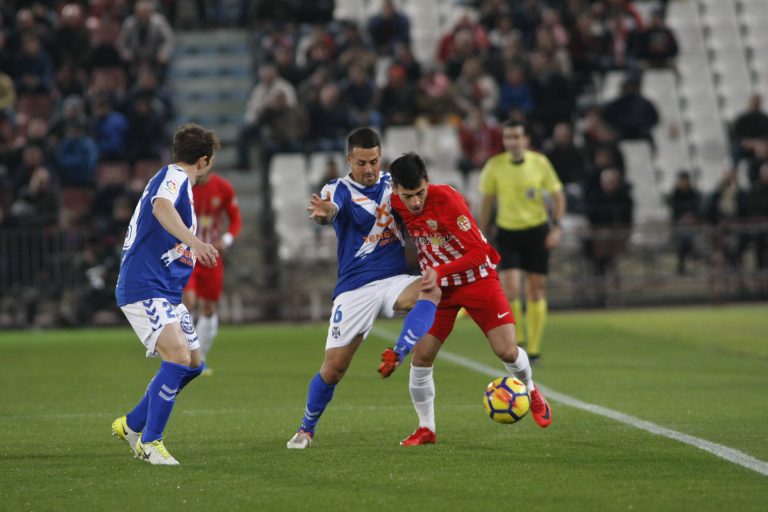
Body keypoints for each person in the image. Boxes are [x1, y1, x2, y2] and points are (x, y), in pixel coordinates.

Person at [381, 152, 552, 447]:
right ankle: (426, 428)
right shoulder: (393, 202)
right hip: (439, 291)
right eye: (408, 196)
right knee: (421, 358)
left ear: (427, 182)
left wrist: (440, 270)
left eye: (420, 192)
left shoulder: (447, 200)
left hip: (478, 280)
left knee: (507, 351)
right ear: (396, 190)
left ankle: (531, 390)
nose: (415, 202)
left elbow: (479, 253)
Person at [286, 128, 441, 449]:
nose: (368, 169)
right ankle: (305, 429)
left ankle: (399, 351)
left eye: (373, 161)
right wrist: (323, 214)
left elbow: (421, 200)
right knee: (333, 370)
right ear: (349, 160)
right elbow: (329, 210)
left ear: (380, 157)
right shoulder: (338, 188)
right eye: (361, 163)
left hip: (394, 280)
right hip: (355, 289)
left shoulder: (392, 184)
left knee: (430, 287)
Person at [111, 124, 220, 465]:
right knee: (177, 357)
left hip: (166, 291)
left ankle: (132, 425)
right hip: (145, 287)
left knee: (194, 364)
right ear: (203, 161)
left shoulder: (177, 180)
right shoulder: (173, 176)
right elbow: (160, 208)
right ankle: (150, 442)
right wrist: (196, 242)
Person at [477, 120, 565, 363]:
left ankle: (534, 349)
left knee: (536, 289)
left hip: (537, 232)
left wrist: (556, 227)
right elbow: (486, 203)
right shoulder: (494, 166)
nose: (512, 142)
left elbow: (558, 195)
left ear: (526, 140)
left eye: (516, 137)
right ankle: (520, 338)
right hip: (508, 233)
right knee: (511, 289)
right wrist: (481, 235)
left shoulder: (540, 163)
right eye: (508, 137)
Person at [182, 170, 242, 374]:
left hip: (211, 256)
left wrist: (225, 240)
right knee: (187, 302)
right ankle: (183, 356)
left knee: (209, 309)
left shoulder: (223, 187)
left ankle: (200, 358)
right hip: (186, 254)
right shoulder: (183, 185)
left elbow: (236, 220)